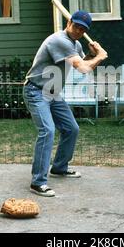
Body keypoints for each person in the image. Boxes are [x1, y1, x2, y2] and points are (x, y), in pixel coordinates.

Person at [23, 10, 108, 197]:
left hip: (52, 93)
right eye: (76, 25)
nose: (78, 30)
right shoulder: (58, 40)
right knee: (48, 131)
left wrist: (91, 54)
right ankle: (38, 182)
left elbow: (80, 62)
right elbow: (85, 69)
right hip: (36, 91)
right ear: (69, 22)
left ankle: (60, 167)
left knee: (71, 128)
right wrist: (100, 57)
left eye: (82, 29)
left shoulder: (75, 44)